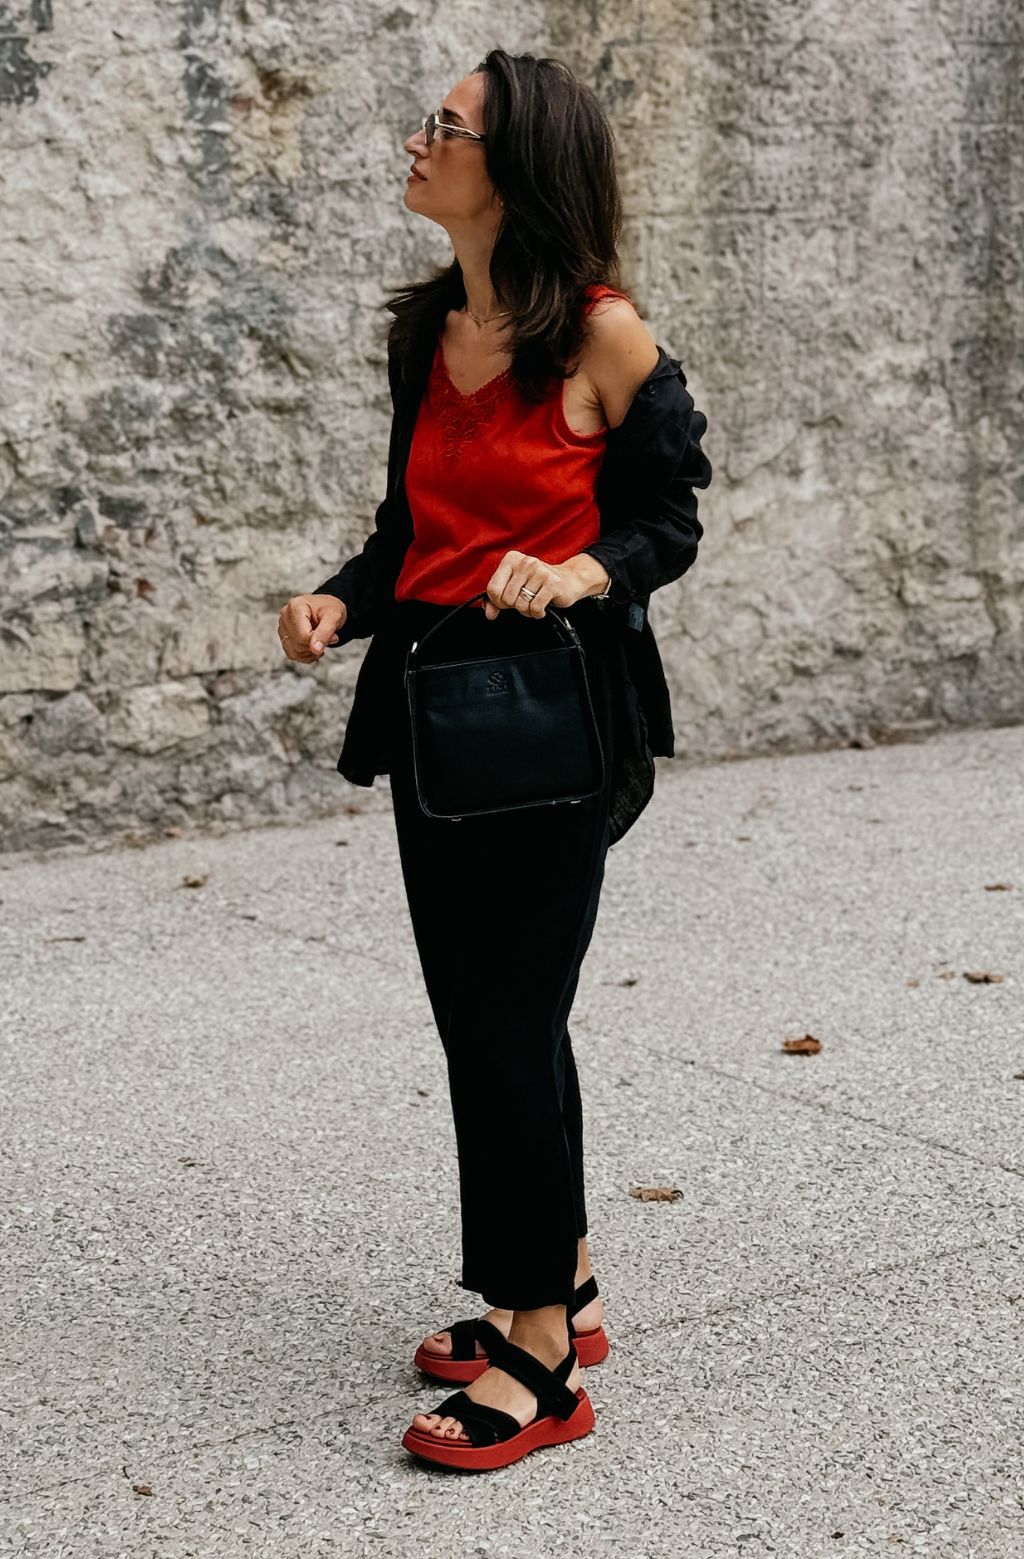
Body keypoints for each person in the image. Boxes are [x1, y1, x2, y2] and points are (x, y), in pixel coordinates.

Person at [276, 48, 712, 1472]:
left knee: (508, 1022)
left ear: (515, 168)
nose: (418, 141)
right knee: (485, 1017)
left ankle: (541, 1359)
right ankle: (563, 1283)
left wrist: (583, 569)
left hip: (550, 720)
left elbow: (667, 522)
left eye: (446, 126)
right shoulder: (429, 332)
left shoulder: (604, 338)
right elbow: (411, 531)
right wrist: (343, 596)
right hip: (432, 717)